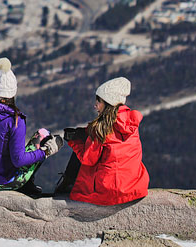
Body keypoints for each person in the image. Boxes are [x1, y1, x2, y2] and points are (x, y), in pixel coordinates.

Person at [0, 56, 60, 195]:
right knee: (43, 134)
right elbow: (18, 160)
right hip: (4, 181)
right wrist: (46, 152)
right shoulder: (14, 120)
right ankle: (26, 184)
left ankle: (26, 182)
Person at [58, 76, 149, 204]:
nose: (95, 105)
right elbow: (115, 142)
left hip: (110, 191)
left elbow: (88, 159)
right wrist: (86, 134)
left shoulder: (101, 128)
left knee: (81, 153)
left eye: (99, 101)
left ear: (108, 103)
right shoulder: (130, 123)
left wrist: (74, 141)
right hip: (134, 186)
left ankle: (67, 184)